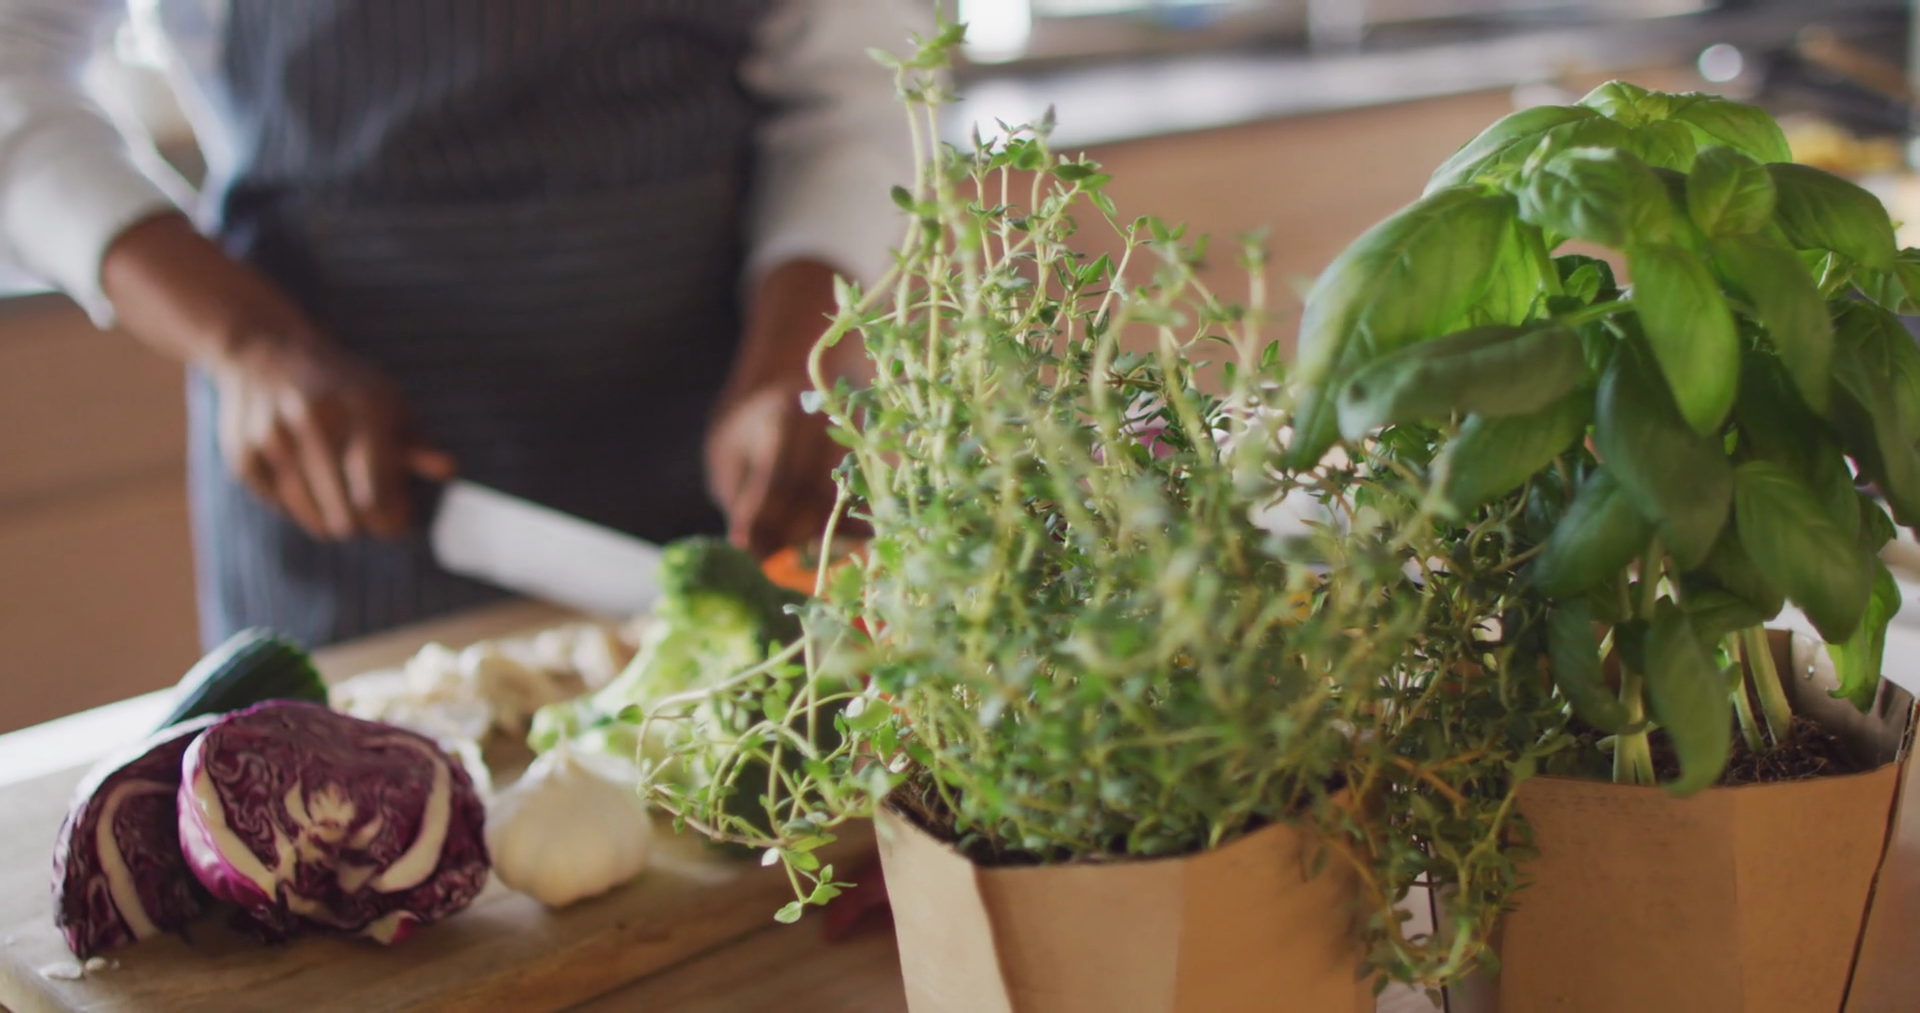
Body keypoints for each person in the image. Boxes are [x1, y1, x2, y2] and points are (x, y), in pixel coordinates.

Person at [0, 0, 922, 649]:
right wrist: (248, 345)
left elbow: (859, 83)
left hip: (715, 435)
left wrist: (797, 360)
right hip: (345, 476)